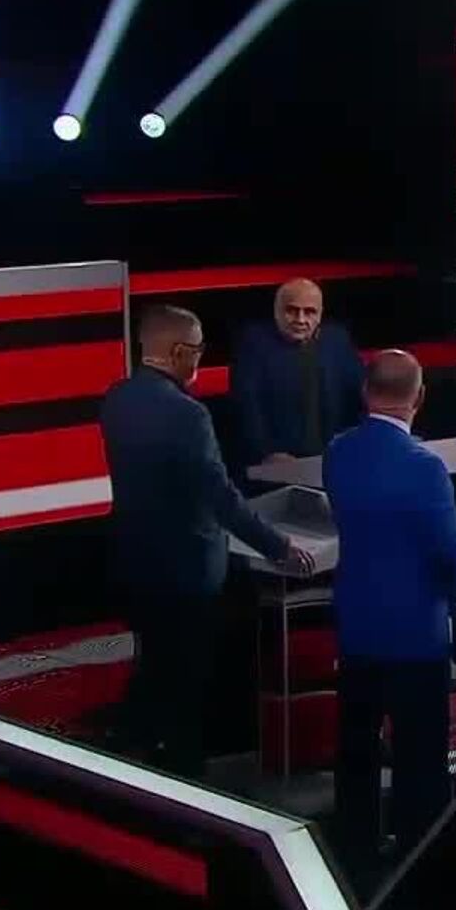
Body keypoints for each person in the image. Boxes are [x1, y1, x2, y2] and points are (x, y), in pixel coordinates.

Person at [101, 305, 314, 776]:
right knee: (185, 682)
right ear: (179, 352)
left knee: (155, 661)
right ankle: (184, 775)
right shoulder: (188, 415)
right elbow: (221, 498)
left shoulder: (117, 399)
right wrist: (279, 547)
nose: (200, 359)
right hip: (186, 571)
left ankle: (130, 748)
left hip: (135, 561)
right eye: (197, 351)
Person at [324, 350, 456, 878]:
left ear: (366, 393)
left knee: (357, 747)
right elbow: (449, 554)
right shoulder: (424, 467)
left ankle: (354, 851)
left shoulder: (339, 452)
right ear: (419, 398)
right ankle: (417, 857)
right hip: (415, 635)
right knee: (419, 756)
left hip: (357, 626)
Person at [233, 278, 366, 467]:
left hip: (334, 457)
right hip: (278, 462)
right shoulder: (254, 344)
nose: (300, 319)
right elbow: (247, 408)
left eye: (309, 312)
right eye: (291, 310)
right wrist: (266, 453)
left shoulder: (337, 339)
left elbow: (360, 396)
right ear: (276, 311)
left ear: (320, 314)